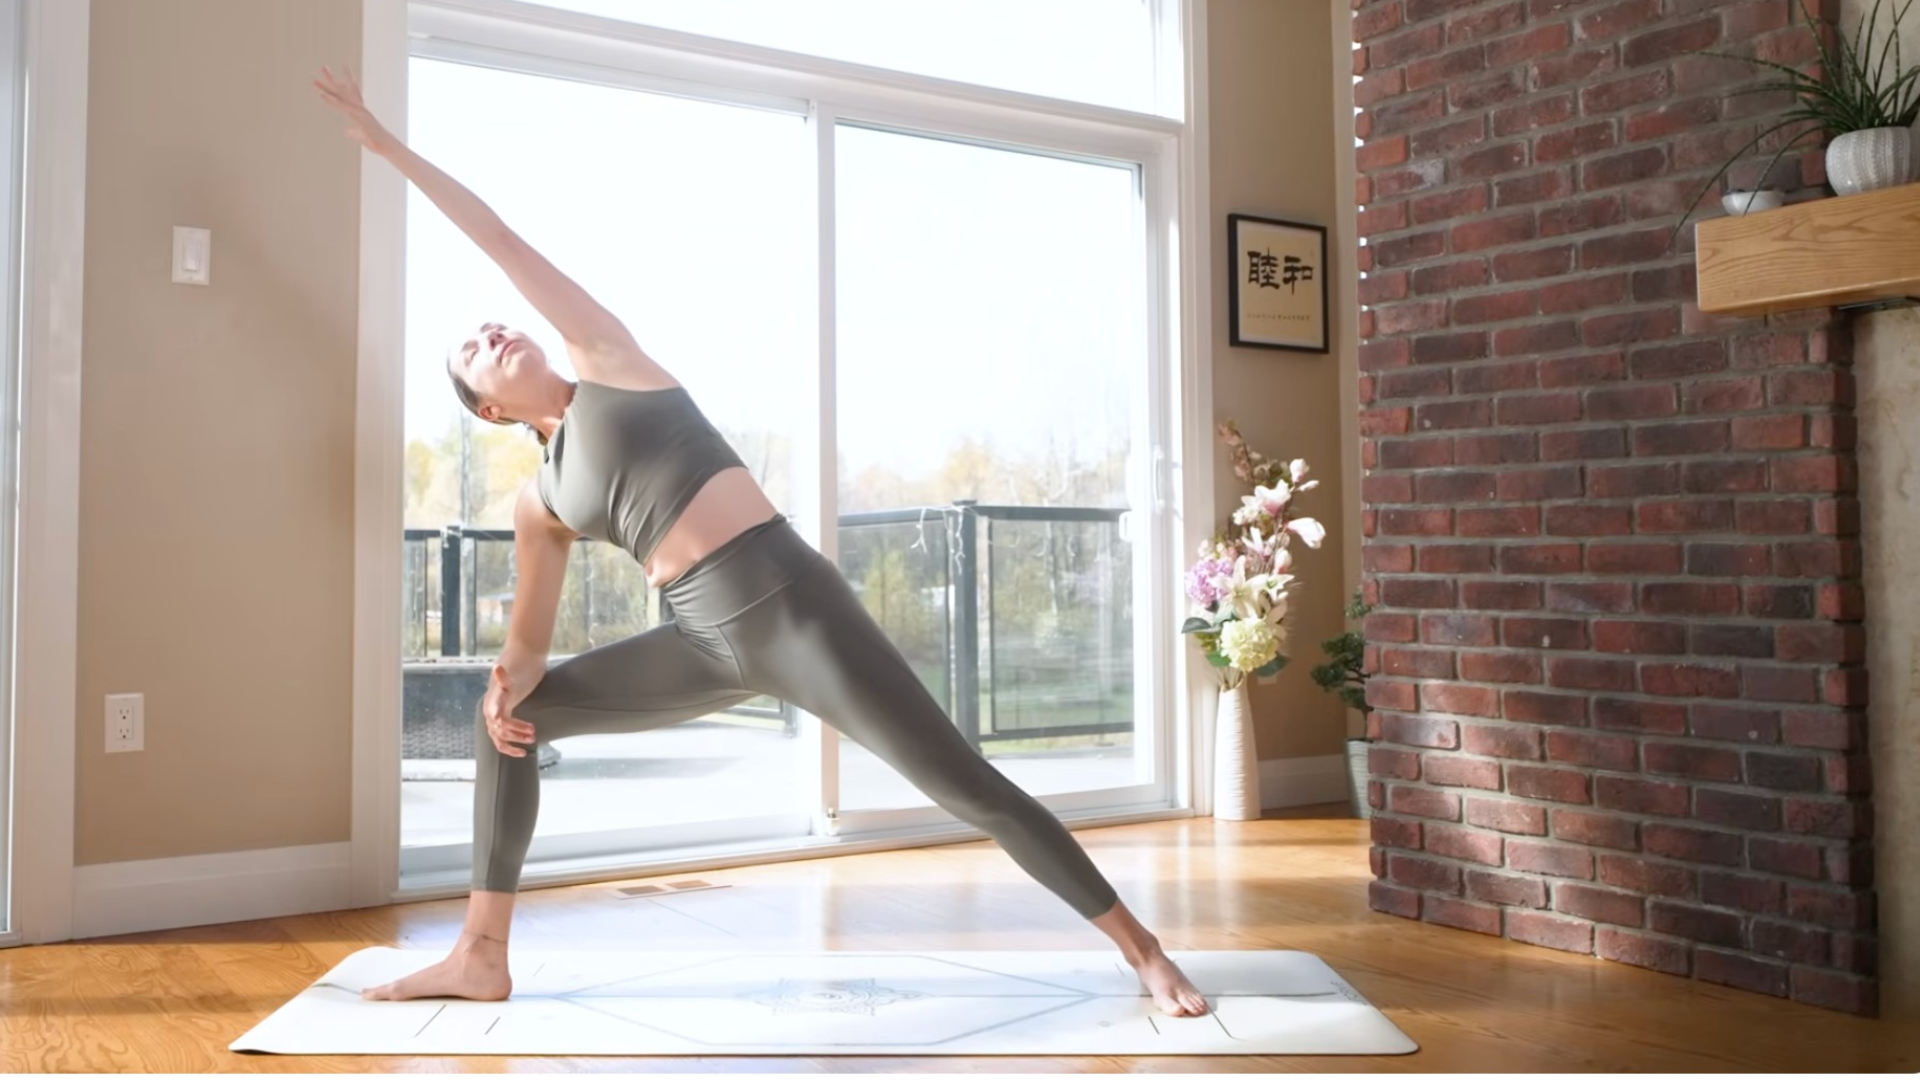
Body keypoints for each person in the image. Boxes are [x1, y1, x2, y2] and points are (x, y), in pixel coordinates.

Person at [315, 66, 1209, 1018]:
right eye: (474, 351)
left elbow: (497, 237)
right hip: (698, 639)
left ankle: (1143, 950)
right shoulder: (540, 503)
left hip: (791, 606)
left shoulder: (610, 361)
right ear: (491, 408)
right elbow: (530, 642)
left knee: (965, 784)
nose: (493, 331)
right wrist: (503, 689)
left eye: (494, 326)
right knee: (512, 730)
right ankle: (479, 955)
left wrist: (389, 148)